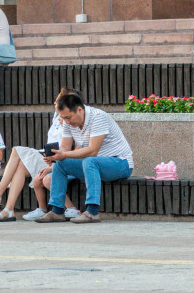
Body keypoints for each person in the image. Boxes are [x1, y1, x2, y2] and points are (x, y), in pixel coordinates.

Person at [0, 88, 82, 222]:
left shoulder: (71, 121)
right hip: (48, 157)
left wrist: (54, 163)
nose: (55, 102)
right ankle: (8, 209)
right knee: (20, 165)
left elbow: (72, 148)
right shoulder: (57, 117)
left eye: (58, 100)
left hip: (59, 161)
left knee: (16, 151)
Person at [35, 93, 134, 224]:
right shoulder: (68, 122)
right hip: (94, 165)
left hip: (121, 164)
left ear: (79, 109)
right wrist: (55, 156)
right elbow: (64, 147)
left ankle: (92, 212)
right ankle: (57, 211)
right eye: (64, 118)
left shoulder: (98, 117)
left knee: (89, 160)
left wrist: (63, 155)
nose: (67, 122)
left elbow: (93, 150)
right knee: (60, 164)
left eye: (69, 117)